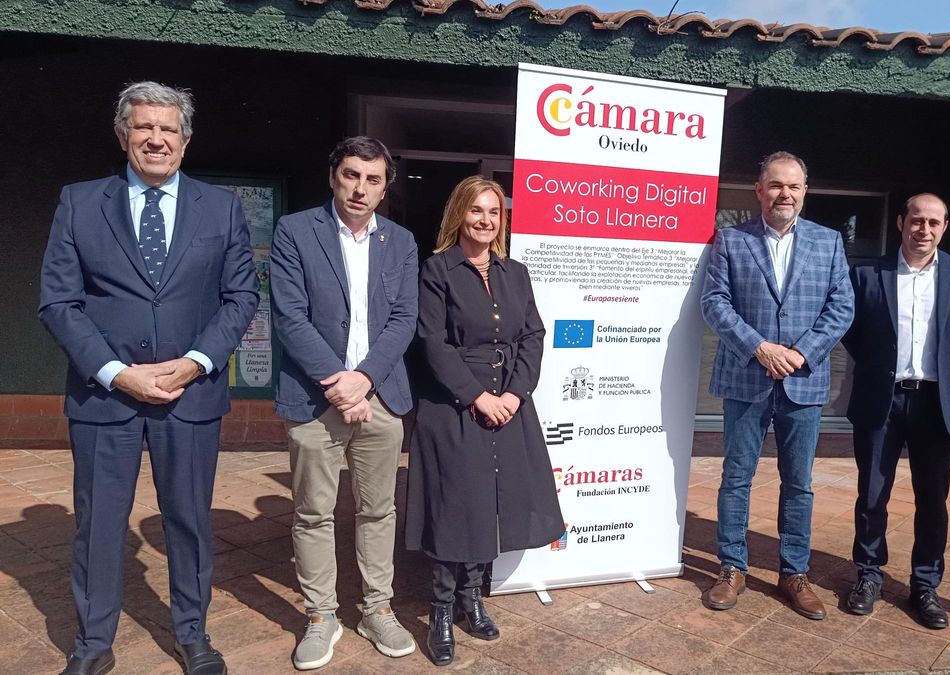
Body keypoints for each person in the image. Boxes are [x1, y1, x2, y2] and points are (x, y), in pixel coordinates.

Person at [38, 82, 258, 675]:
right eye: (143, 127)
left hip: (190, 395)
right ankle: (92, 644)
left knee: (188, 520)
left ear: (185, 141)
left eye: (168, 129)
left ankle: (192, 634)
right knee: (99, 525)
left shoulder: (221, 208)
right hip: (104, 396)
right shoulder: (80, 202)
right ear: (123, 135)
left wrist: (196, 361)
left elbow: (240, 296)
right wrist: (115, 373)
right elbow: (59, 302)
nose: (156, 139)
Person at [270, 137, 419, 670]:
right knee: (313, 513)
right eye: (352, 175)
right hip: (316, 396)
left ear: (385, 186)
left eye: (373, 179)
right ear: (334, 175)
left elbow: (404, 319)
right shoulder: (294, 231)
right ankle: (320, 615)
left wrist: (365, 380)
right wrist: (340, 382)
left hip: (380, 395)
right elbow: (289, 315)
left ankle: (377, 608)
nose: (361, 188)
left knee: (379, 509)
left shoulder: (400, 242)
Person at [405, 176, 564, 666]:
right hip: (453, 406)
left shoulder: (515, 272)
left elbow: (533, 334)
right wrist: (476, 395)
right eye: (476, 209)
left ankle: (473, 600)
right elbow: (432, 342)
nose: (485, 219)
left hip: (509, 405)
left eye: (494, 211)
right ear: (460, 213)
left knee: (491, 502)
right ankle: (440, 609)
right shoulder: (436, 270)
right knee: (454, 506)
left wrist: (515, 393)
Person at [700, 151, 854, 619]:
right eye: (775, 185)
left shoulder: (828, 243)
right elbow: (715, 302)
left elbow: (841, 306)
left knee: (799, 483)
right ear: (759, 190)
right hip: (747, 376)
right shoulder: (730, 239)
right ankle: (731, 568)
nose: (784, 194)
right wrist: (760, 347)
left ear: (805, 192)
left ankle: (794, 572)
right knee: (736, 478)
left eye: (793, 186)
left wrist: (802, 352)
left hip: (803, 382)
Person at [841, 194, 950, 628]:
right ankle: (868, 574)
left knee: (933, 499)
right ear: (901, 222)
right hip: (881, 399)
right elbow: (853, 331)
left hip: (935, 401)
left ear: (945, 227)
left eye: (933, 223)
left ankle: (925, 584)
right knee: (872, 494)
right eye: (916, 221)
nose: (924, 229)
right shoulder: (867, 273)